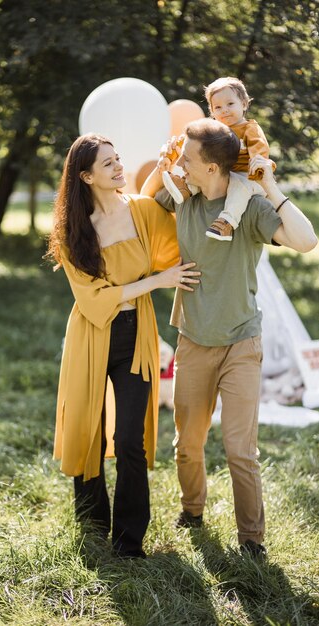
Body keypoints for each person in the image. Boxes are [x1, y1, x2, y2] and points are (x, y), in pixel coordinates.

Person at [141, 118, 317, 557]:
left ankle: (252, 540)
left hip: (242, 343)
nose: (181, 164)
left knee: (241, 449)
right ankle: (192, 509)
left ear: (215, 169)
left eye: (189, 159)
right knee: (188, 444)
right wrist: (168, 157)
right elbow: (143, 201)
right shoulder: (183, 197)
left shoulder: (251, 208)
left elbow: (306, 240)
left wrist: (270, 187)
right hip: (194, 341)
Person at [46, 133, 200, 559]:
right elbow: (92, 300)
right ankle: (93, 525)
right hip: (92, 337)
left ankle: (129, 541)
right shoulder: (71, 232)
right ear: (85, 175)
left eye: (118, 160)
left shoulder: (145, 211)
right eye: (108, 163)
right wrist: (153, 283)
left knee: (130, 438)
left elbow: (180, 254)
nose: (118, 168)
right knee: (89, 430)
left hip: (137, 334)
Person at [162, 76, 276, 241]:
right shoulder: (215, 130)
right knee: (203, 172)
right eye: (218, 107)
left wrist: (258, 170)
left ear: (244, 104)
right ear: (212, 111)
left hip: (247, 176)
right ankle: (187, 189)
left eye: (230, 104)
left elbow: (259, 150)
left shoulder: (250, 129)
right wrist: (174, 150)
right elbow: (191, 140)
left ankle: (227, 222)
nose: (224, 110)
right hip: (225, 174)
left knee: (239, 189)